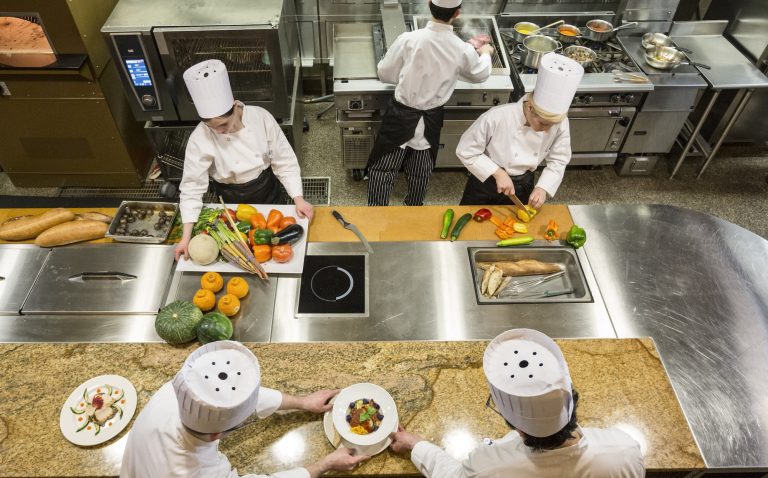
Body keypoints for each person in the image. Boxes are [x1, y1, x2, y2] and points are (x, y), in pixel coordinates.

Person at [389, 328, 645, 478]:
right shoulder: (625, 451)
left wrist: (415, 444)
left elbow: (451, 475)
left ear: (517, 425)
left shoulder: (489, 467)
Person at [120, 340, 368, 478]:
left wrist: (302, 402)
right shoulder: (196, 473)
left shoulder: (180, 390)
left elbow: (232, 398)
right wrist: (324, 465)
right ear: (218, 434)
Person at [175, 59, 313, 260]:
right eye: (213, 128)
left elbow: (284, 160)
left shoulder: (260, 118)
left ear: (233, 106)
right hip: (230, 198)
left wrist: (298, 199)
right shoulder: (199, 138)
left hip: (266, 188)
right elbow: (192, 187)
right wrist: (185, 237)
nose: (220, 131)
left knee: (275, 236)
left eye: (223, 124)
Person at [366, 0, 494, 207]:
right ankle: (415, 208)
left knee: (382, 168)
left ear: (429, 5)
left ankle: (376, 211)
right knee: (421, 170)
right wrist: (486, 53)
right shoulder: (461, 49)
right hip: (431, 119)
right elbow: (480, 74)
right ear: (457, 13)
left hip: (400, 117)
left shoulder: (408, 39)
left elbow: (384, 73)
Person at [457, 53, 584, 208]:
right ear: (530, 107)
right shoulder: (497, 116)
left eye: (551, 125)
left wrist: (543, 187)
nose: (546, 131)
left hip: (523, 185)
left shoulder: (559, 121)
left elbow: (559, 159)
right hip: (487, 180)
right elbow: (466, 150)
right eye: (543, 124)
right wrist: (498, 172)